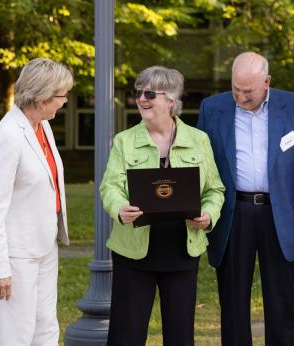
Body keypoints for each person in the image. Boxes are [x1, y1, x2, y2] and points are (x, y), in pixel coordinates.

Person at [197, 52, 294, 345]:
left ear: (267, 82)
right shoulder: (212, 108)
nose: (240, 97)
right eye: (235, 89)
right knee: (233, 298)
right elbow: (199, 164)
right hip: (233, 213)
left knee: (282, 300)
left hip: (280, 215)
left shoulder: (292, 105)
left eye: (248, 91)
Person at [99, 66, 225, 346]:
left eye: (149, 93)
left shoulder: (198, 140)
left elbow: (215, 189)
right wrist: (119, 208)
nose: (142, 99)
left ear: (171, 100)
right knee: (126, 334)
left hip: (182, 251)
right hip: (133, 252)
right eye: (139, 93)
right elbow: (110, 187)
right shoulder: (125, 140)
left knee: (180, 335)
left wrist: (209, 214)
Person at [0, 58, 72, 346]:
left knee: (46, 329)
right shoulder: (8, 136)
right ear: (42, 97)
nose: (65, 101)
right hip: (17, 255)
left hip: (44, 247)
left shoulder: (42, 126)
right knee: (17, 337)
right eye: (62, 95)